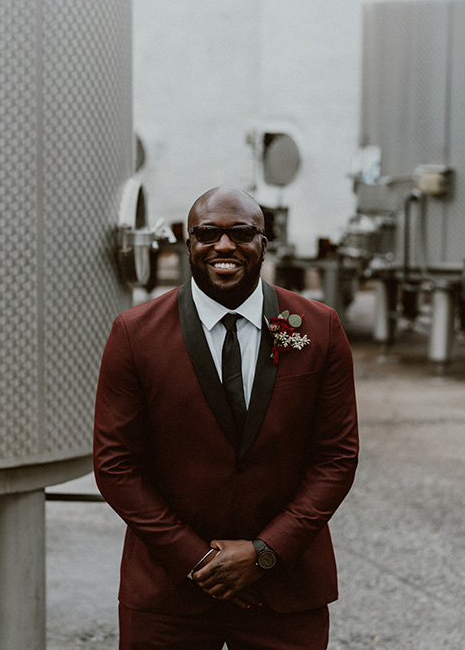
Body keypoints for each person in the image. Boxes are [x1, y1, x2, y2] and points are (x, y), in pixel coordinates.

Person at [94, 185, 359, 650]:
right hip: (168, 592)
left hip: (285, 590)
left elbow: (335, 458)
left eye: (241, 232)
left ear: (263, 243)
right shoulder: (135, 334)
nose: (223, 245)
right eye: (207, 233)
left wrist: (264, 554)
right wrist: (198, 560)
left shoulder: (318, 328)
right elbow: (116, 465)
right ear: (188, 243)